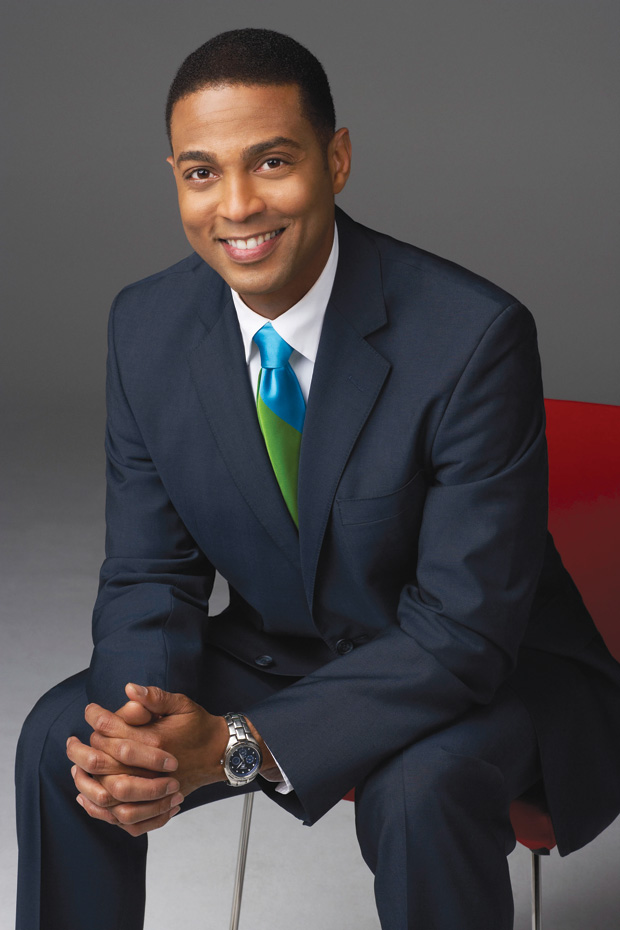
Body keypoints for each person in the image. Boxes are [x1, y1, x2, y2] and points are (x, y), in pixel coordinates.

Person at [15, 28, 620, 930]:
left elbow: (463, 633)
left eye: (271, 161)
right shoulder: (144, 327)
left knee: (419, 787)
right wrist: (141, 731)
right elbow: (151, 573)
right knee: (63, 742)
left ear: (336, 160)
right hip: (288, 652)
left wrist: (234, 746)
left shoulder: (473, 338)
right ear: (175, 177)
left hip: (490, 672)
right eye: (202, 172)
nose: (237, 205)